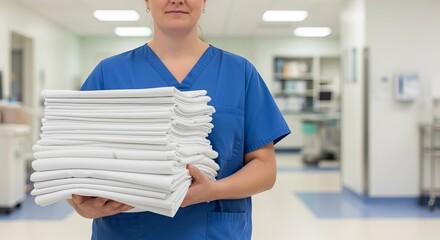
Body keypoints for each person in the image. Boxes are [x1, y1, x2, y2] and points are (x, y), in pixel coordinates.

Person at [67, 0, 291, 239]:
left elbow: (265, 168)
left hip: (215, 232)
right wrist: (80, 206)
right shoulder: (108, 74)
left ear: (204, 2)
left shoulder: (240, 73)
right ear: (147, 2)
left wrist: (214, 191)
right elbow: (72, 166)